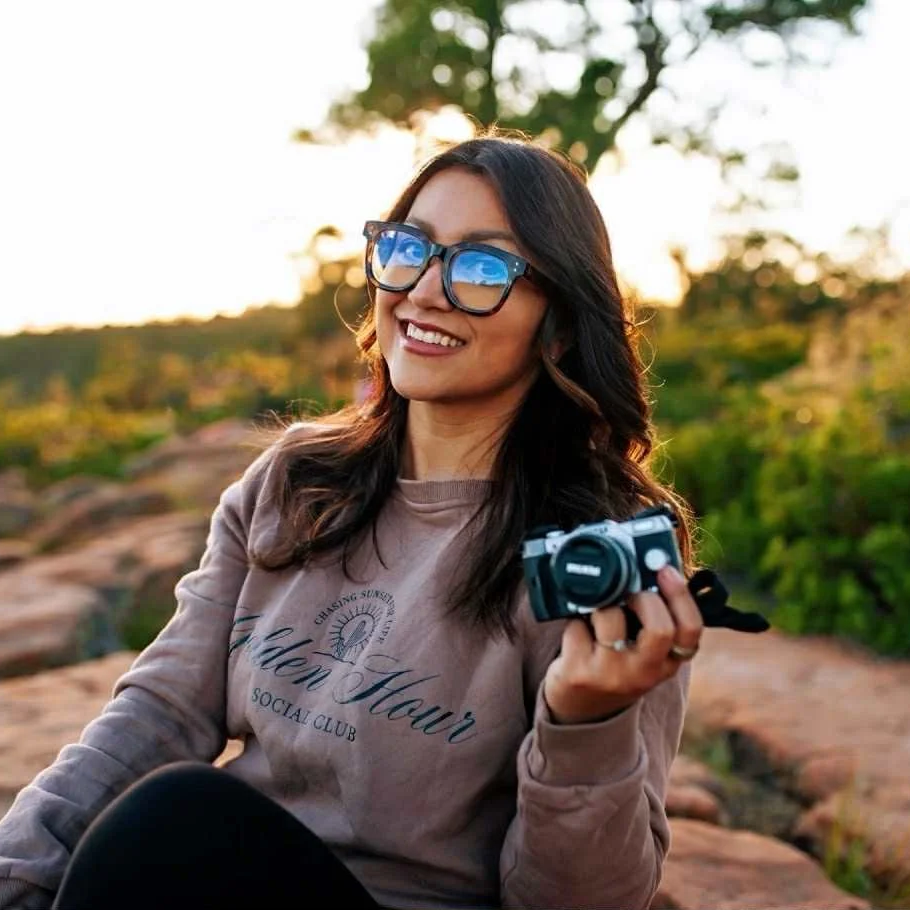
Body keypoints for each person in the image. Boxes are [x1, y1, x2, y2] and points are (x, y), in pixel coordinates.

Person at [0, 133, 705, 910]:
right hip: (227, 882)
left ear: (561, 322)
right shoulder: (297, 481)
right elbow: (160, 713)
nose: (425, 292)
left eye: (481, 268)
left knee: (176, 818)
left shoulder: (591, 544)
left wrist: (586, 721)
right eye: (409, 249)